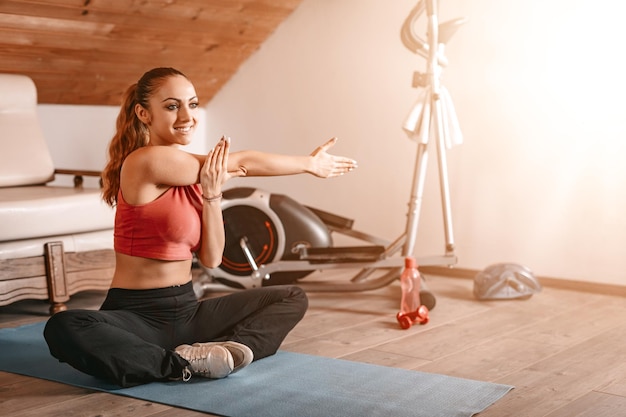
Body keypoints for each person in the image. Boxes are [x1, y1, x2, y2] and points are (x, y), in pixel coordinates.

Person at [43, 67, 357, 388]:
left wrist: (212, 195)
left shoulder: (199, 179)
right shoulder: (144, 161)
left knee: (291, 296)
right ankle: (180, 365)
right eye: (171, 106)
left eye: (192, 104)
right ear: (143, 113)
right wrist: (308, 163)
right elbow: (241, 162)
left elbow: (212, 259)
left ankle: (228, 353)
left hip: (188, 312)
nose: (187, 115)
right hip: (136, 316)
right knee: (65, 325)